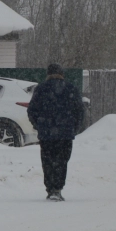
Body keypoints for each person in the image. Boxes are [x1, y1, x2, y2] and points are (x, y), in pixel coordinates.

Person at [27, 63, 85, 201]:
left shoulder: (41, 89)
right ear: (62, 74)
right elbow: (80, 111)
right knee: (62, 161)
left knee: (47, 160)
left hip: (46, 133)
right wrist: (74, 127)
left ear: (48, 74)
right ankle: (58, 188)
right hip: (65, 132)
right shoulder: (71, 88)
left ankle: (50, 188)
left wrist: (38, 125)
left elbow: (31, 110)